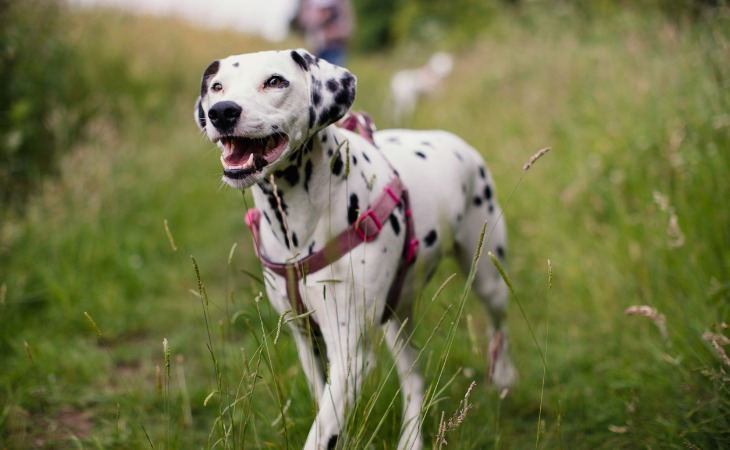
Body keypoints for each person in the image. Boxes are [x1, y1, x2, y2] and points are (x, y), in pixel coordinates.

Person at [298, 0, 353, 67]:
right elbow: (303, 21)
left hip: (335, 46)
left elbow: (347, 21)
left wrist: (339, 32)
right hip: (315, 47)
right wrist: (317, 19)